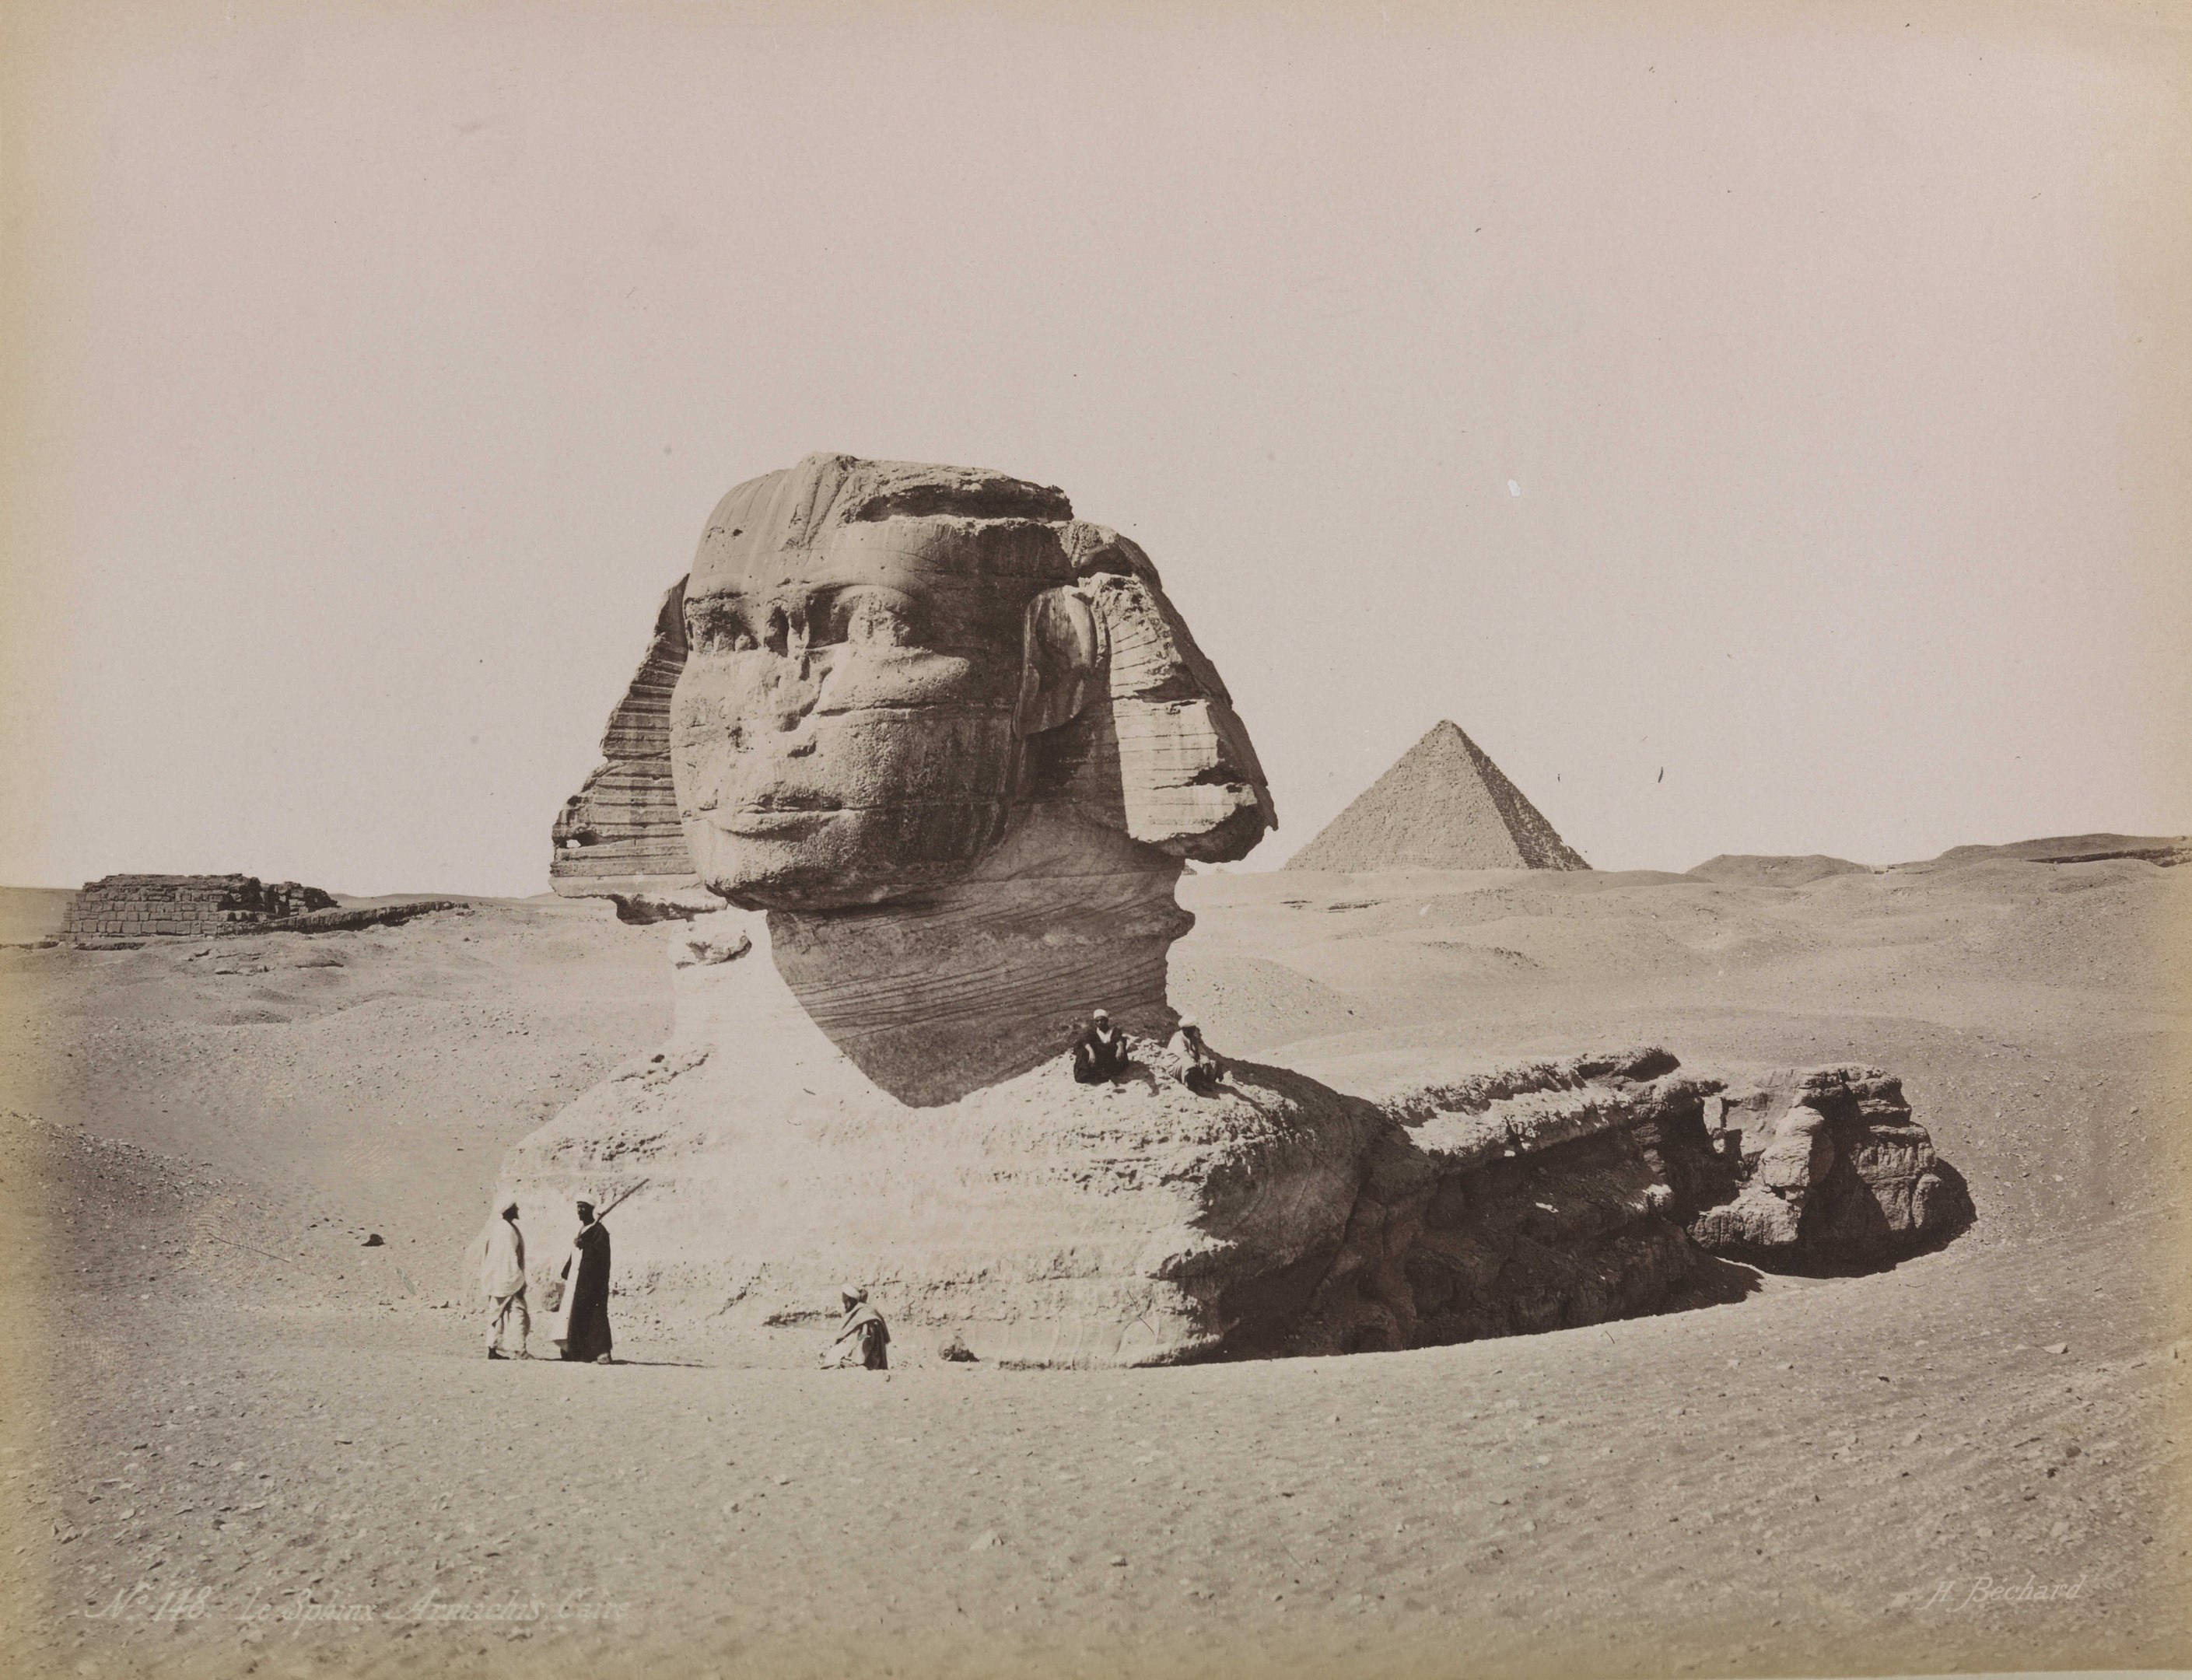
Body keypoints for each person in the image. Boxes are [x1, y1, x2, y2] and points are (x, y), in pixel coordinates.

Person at [555, 1199, 614, 1364]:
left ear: (590, 1210)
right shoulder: (584, 1230)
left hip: (593, 1282)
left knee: (596, 1314)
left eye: (583, 1208)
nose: (580, 1211)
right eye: (578, 1207)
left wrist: (586, 1245)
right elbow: (575, 1254)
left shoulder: (599, 1231)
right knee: (577, 1313)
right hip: (578, 1281)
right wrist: (567, 1271)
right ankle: (576, 1351)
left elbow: (601, 1255)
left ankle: (603, 1352)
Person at [474, 1197, 529, 1360]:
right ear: (509, 1210)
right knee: (518, 1312)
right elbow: (508, 1258)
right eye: (515, 1207)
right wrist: (517, 1279)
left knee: (496, 1314)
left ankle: (493, 1348)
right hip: (507, 1279)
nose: (518, 1210)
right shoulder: (507, 1230)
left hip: (497, 1280)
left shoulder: (499, 1228)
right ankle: (519, 1350)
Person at [820, 1285, 890, 1370]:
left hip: (868, 1356)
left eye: (846, 1301)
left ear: (852, 1300)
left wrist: (854, 1356)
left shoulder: (865, 1315)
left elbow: (864, 1339)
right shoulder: (860, 1311)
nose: (844, 1305)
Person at [1164, 1015, 1223, 1095]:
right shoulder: (1177, 1038)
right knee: (1189, 1063)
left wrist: (1205, 1061)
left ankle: (1205, 1082)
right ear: (1185, 1030)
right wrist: (1196, 1064)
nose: (1194, 1031)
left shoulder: (1193, 1039)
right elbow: (1184, 1055)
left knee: (1212, 1063)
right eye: (1191, 1029)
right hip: (1175, 1066)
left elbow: (1200, 1053)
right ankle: (1194, 1087)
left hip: (1192, 1063)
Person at [1071, 1007, 1129, 1084]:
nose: (1100, 1023)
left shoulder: (1114, 1031)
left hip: (1112, 1057)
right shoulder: (1093, 1032)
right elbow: (1085, 1040)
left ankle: (1102, 1073)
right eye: (1097, 1021)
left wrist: (1120, 1048)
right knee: (1082, 1049)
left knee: (1113, 1047)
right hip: (1099, 1057)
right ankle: (1084, 1073)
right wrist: (1091, 1053)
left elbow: (1119, 1039)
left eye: (1102, 1020)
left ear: (1107, 1021)